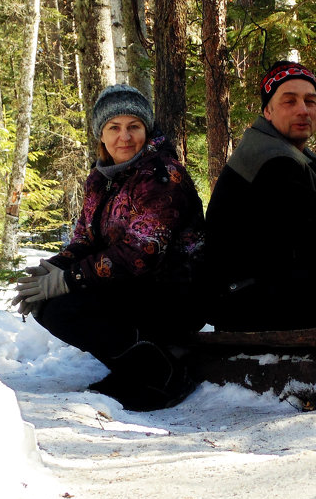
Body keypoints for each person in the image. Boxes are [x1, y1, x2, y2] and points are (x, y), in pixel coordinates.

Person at [14, 84, 206, 411]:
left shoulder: (161, 174)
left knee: (66, 305)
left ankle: (164, 377)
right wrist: (53, 269)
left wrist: (68, 280)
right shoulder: (101, 178)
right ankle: (135, 369)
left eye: (134, 127)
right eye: (114, 128)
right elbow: (86, 240)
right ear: (101, 135)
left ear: (146, 129)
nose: (125, 137)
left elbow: (142, 252)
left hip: (177, 292)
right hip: (134, 288)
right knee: (50, 306)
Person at [204, 60, 316, 330]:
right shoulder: (273, 161)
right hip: (249, 304)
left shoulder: (284, 151)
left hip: (252, 293)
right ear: (268, 111)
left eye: (310, 101)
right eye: (289, 101)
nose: (303, 110)